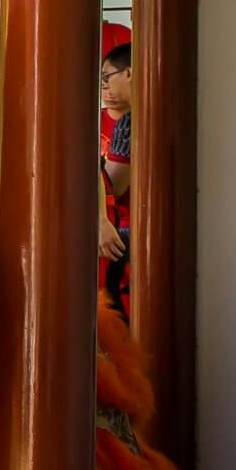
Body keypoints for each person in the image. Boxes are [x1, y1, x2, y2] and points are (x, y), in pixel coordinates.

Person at [99, 43, 133, 318]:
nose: (105, 87)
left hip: (124, 231)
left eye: (108, 77)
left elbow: (113, 186)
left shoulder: (129, 122)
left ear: (130, 73)